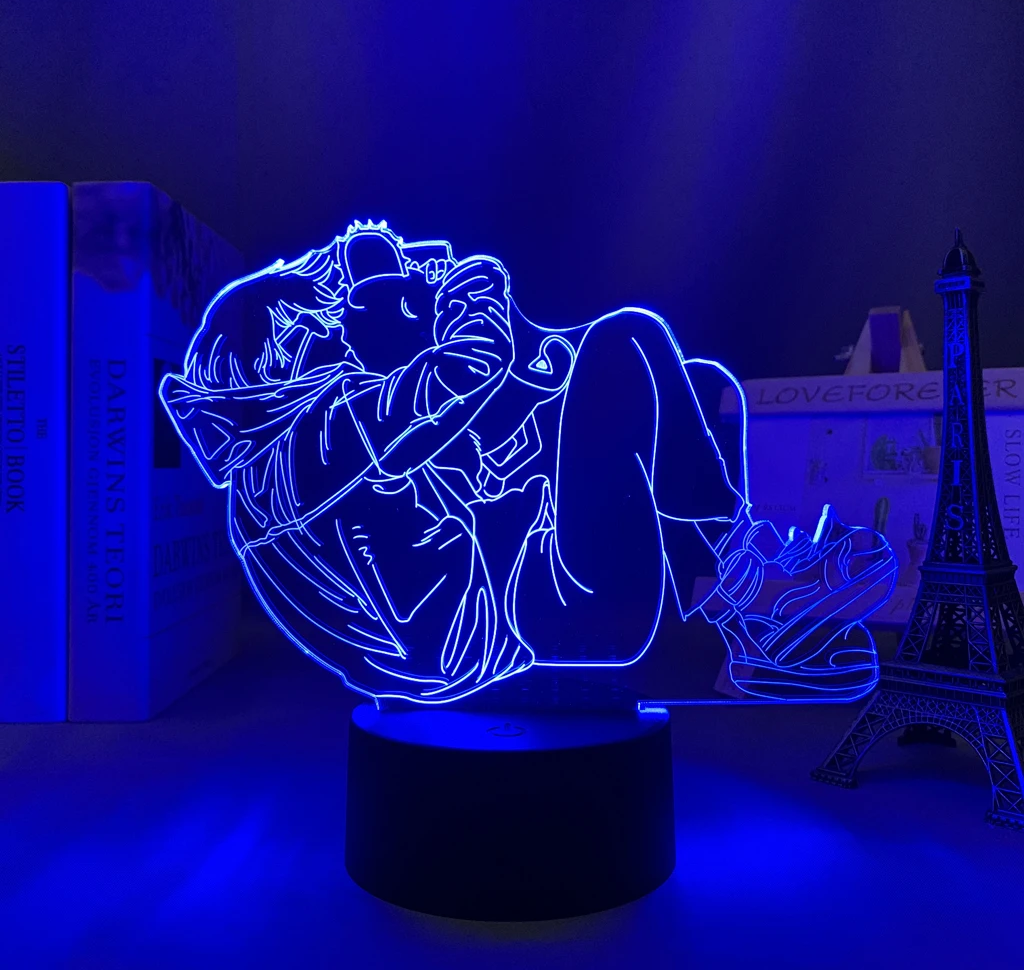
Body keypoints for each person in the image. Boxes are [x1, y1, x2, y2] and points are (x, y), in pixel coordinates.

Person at [159, 221, 897, 704]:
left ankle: (748, 623)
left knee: (695, 383)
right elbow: (467, 365)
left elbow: (509, 400)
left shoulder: (317, 447)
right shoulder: (295, 458)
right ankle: (754, 591)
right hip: (542, 627)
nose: (340, 326)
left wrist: (422, 291)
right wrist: (469, 288)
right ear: (276, 365)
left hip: (521, 602)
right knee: (627, 340)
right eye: (319, 322)